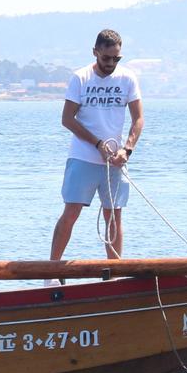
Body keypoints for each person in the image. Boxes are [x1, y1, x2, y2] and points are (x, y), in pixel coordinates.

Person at [50, 28, 143, 261]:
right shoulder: (80, 78)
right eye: (106, 58)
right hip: (83, 158)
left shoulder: (127, 78)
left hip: (115, 162)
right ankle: (51, 270)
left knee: (114, 216)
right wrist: (97, 143)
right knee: (71, 213)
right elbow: (67, 119)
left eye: (116, 58)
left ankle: (114, 274)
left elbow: (138, 118)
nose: (111, 63)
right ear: (95, 52)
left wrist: (127, 149)